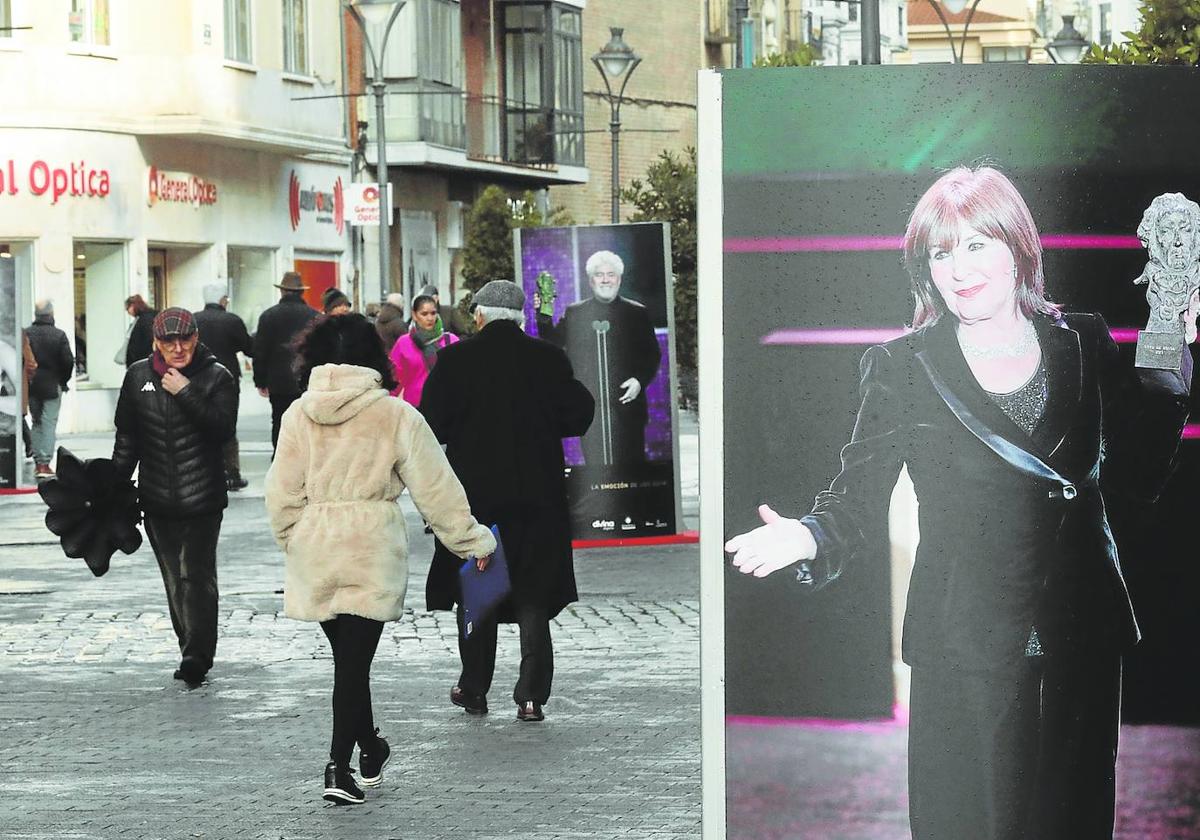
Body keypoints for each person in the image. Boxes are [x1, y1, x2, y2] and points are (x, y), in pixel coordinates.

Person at [724, 166, 1196, 840]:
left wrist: (1171, 340)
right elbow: (855, 496)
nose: (960, 268)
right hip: (963, 638)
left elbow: (1139, 475)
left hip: (1081, 633)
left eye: (978, 245)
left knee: (1072, 823)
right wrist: (809, 536)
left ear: (1017, 250)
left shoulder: (1082, 342)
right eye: (942, 253)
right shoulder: (903, 365)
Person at [264, 313, 495, 805]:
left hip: (317, 545)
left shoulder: (298, 415)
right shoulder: (395, 415)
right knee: (353, 663)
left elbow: (281, 494)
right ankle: (336, 767)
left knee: (349, 661)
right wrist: (471, 541)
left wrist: (295, 541)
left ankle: (369, 747)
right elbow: (437, 489)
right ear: (375, 356)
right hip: (371, 545)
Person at [421, 280, 594, 723]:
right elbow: (578, 414)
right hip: (538, 500)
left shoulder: (455, 360)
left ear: (478, 316)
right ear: (520, 318)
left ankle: (474, 688)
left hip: (478, 501)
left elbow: (431, 425)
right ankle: (531, 696)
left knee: (477, 592)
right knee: (534, 594)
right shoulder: (547, 359)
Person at [112, 307, 239, 685]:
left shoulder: (218, 377)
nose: (178, 348)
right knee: (173, 578)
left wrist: (185, 392)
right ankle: (189, 645)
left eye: (185, 339)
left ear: (197, 338)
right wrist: (113, 487)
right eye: (169, 341)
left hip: (203, 498)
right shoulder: (137, 377)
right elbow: (127, 439)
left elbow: (221, 430)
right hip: (156, 499)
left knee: (195, 577)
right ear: (156, 342)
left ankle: (198, 655)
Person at [536, 250, 661, 466]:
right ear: (591, 280)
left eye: (610, 274)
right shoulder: (575, 312)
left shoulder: (637, 313)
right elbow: (553, 343)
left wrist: (639, 381)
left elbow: (652, 354)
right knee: (596, 468)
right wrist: (543, 315)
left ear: (619, 279)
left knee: (630, 468)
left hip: (627, 408)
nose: (605, 280)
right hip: (591, 409)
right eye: (599, 274)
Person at [194, 284, 254, 491]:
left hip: (197, 378)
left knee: (199, 423)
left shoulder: (194, 320)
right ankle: (231, 473)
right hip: (226, 379)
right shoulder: (232, 320)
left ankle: (201, 471)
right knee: (227, 425)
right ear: (222, 300)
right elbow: (248, 347)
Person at [252, 272, 319, 452]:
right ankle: (305, 458)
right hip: (306, 379)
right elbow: (320, 350)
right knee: (306, 421)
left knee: (279, 419)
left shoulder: (268, 316)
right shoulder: (314, 316)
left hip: (278, 380)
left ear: (282, 292)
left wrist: (260, 380)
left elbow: (260, 351)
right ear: (301, 293)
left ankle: (280, 457)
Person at [26, 300, 73, 479]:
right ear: (51, 314)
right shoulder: (58, 335)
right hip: (52, 385)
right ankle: (45, 464)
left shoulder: (27, 334)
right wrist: (63, 380)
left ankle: (38, 461)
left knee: (36, 422)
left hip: (31, 385)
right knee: (48, 423)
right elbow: (68, 361)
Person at [388, 293, 459, 407]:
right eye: (424, 314)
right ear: (414, 315)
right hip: (415, 408)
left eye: (433, 313)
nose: (430, 318)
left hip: (447, 405)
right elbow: (394, 379)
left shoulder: (451, 340)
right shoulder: (404, 343)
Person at [124, 294, 157, 367]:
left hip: (143, 360)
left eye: (127, 308)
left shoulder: (144, 319)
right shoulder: (149, 316)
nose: (128, 312)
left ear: (133, 306)